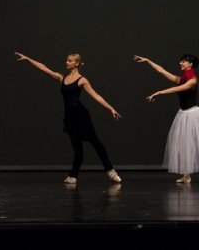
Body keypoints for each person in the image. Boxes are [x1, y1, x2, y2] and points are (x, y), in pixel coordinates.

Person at [15, 52, 122, 184]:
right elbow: (44, 68)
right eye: (66, 60)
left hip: (81, 116)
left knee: (95, 142)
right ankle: (73, 176)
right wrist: (28, 59)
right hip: (70, 117)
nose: (66, 62)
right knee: (77, 148)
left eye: (69, 61)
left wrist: (110, 107)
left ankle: (110, 171)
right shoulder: (62, 78)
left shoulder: (82, 80)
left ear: (76, 63)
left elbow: (96, 95)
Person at [134, 54, 199, 184]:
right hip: (183, 115)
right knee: (184, 145)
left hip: (194, 115)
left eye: (183, 61)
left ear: (190, 64)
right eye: (181, 61)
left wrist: (160, 92)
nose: (180, 63)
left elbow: (178, 88)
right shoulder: (182, 79)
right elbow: (162, 71)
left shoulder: (193, 80)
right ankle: (186, 176)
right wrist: (148, 61)